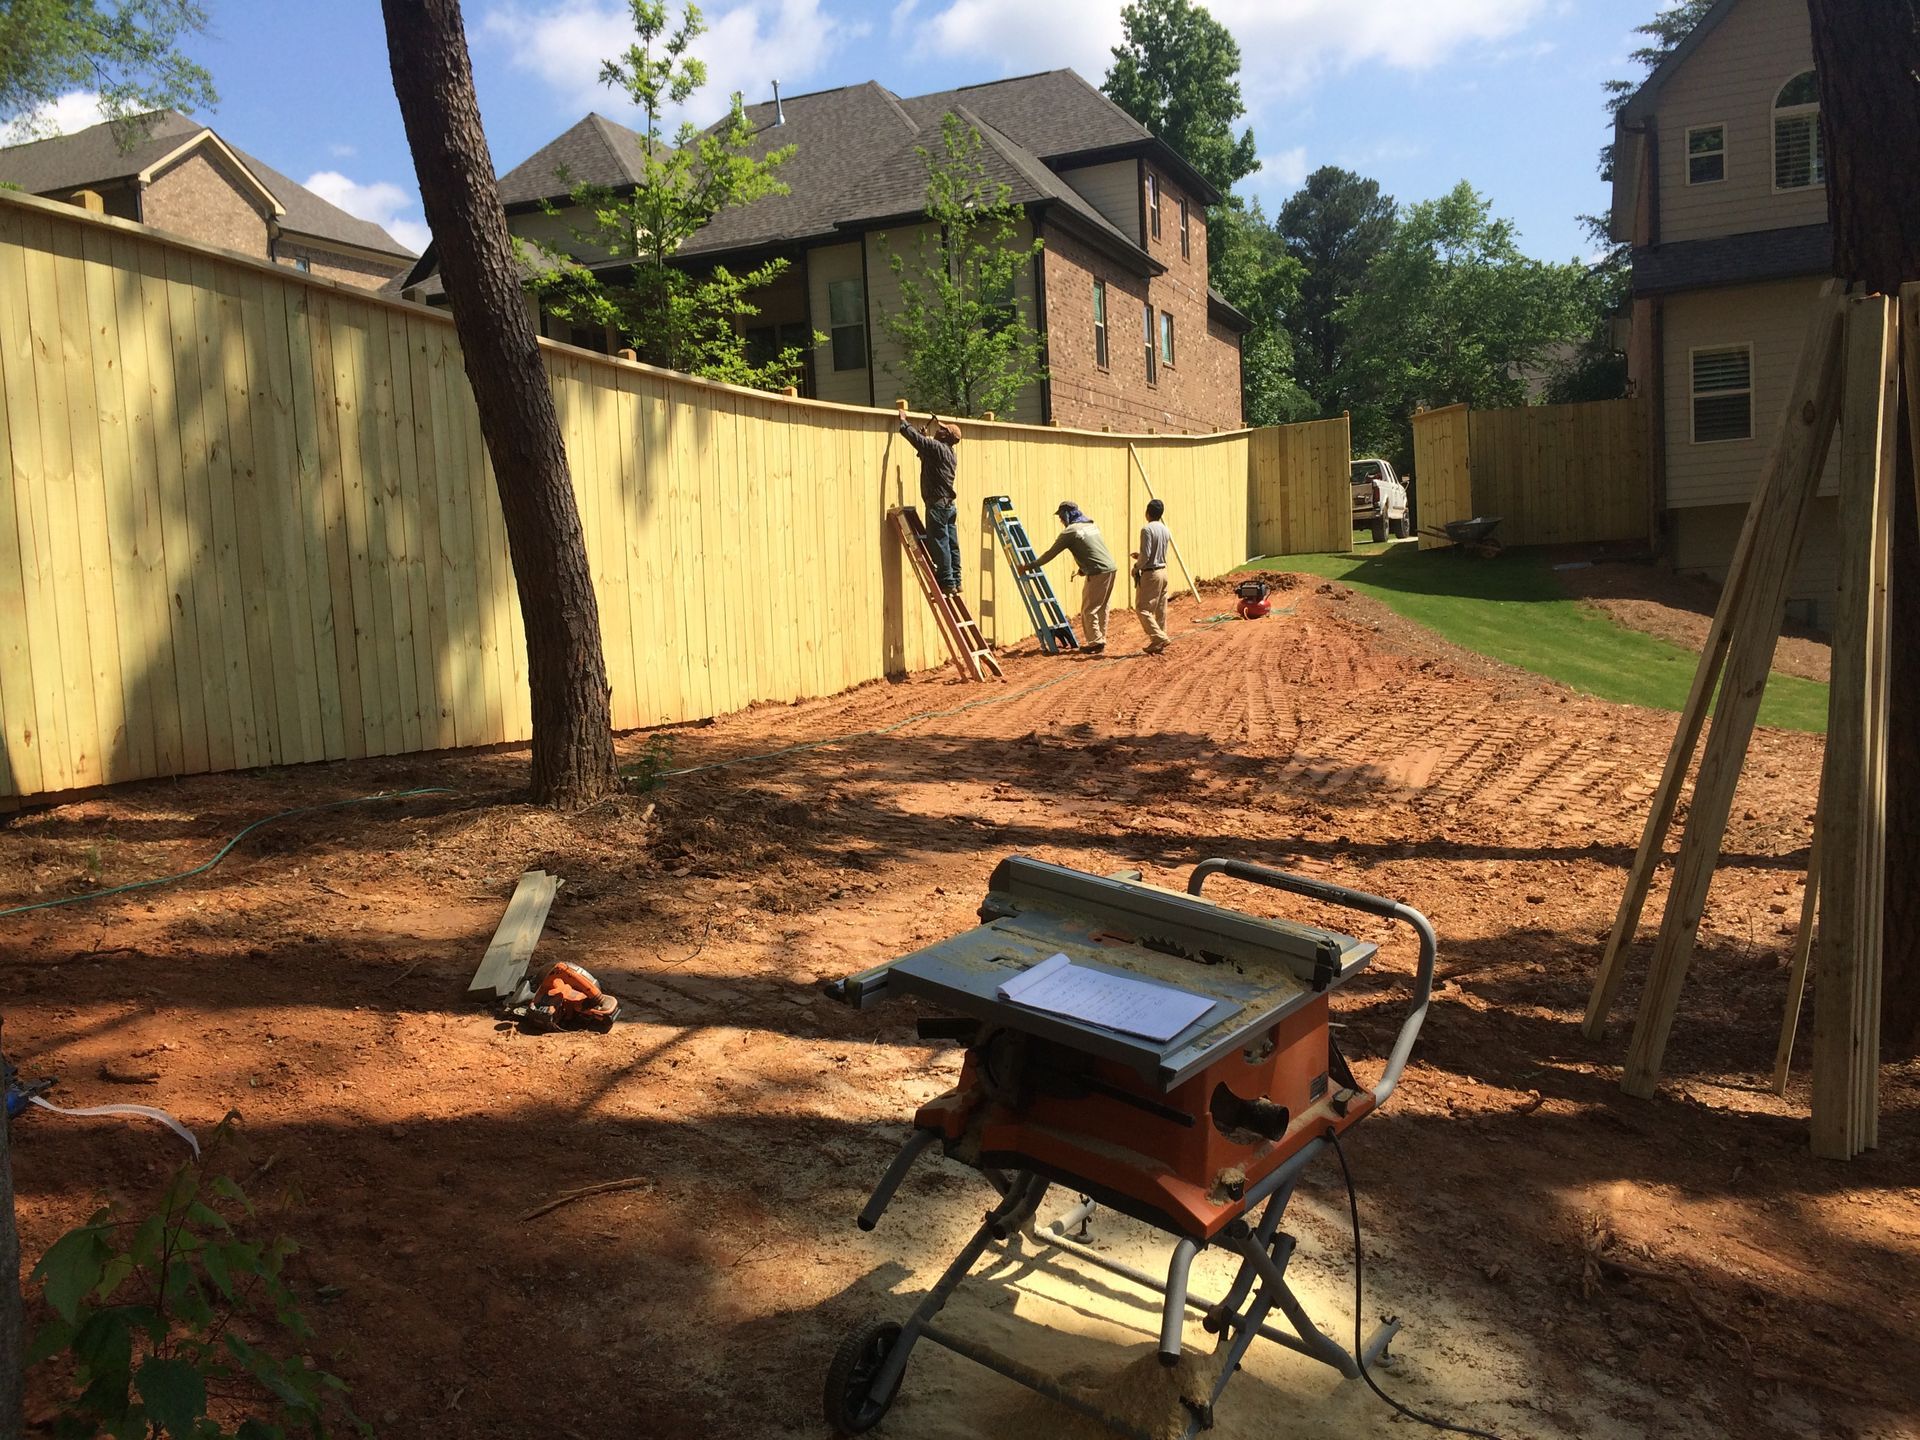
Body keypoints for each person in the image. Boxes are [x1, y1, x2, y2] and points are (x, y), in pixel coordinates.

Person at [1026, 502, 1119, 654]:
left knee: (1089, 609)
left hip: (1097, 572)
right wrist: (1083, 568)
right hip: (1110, 569)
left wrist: (1030, 565)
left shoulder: (1070, 532)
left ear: (1067, 515)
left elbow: (1051, 553)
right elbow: (1092, 549)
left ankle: (1095, 642)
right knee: (1101, 607)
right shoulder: (1090, 525)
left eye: (1062, 516)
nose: (1061, 520)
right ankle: (1099, 639)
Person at [896, 402, 963, 595]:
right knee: (951, 543)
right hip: (948, 506)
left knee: (940, 543)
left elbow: (917, 441)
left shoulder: (938, 448)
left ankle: (947, 581)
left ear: (945, 436)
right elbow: (928, 453)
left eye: (941, 430)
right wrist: (926, 437)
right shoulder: (949, 453)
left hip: (938, 506)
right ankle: (956, 580)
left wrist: (903, 421)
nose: (938, 430)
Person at [1132, 498, 1173, 655]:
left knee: (1143, 608)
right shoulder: (1165, 529)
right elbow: (1153, 553)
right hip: (1163, 571)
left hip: (1151, 574)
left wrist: (1136, 567)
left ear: (1147, 512)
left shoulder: (1146, 530)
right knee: (1161, 608)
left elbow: (1147, 555)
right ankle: (1159, 640)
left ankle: (1159, 637)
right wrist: (1141, 556)